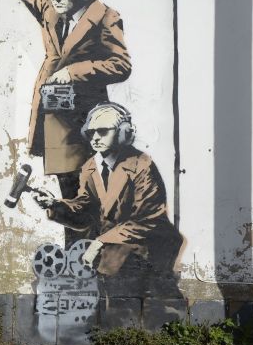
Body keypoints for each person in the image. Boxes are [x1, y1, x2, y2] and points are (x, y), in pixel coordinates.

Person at [0, 0, 131, 246]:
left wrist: (74, 71)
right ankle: (78, 259)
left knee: (89, 201)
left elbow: (121, 65)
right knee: (70, 199)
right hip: (57, 128)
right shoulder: (54, 13)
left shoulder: (106, 18)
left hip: (87, 128)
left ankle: (90, 262)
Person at [32, 102, 182, 299]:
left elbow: (146, 220)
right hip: (114, 254)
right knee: (113, 306)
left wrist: (100, 242)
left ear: (123, 133)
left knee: (153, 308)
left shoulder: (141, 165)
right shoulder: (90, 167)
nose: (95, 138)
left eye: (102, 131)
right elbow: (86, 211)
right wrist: (55, 205)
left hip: (149, 251)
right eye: (91, 132)